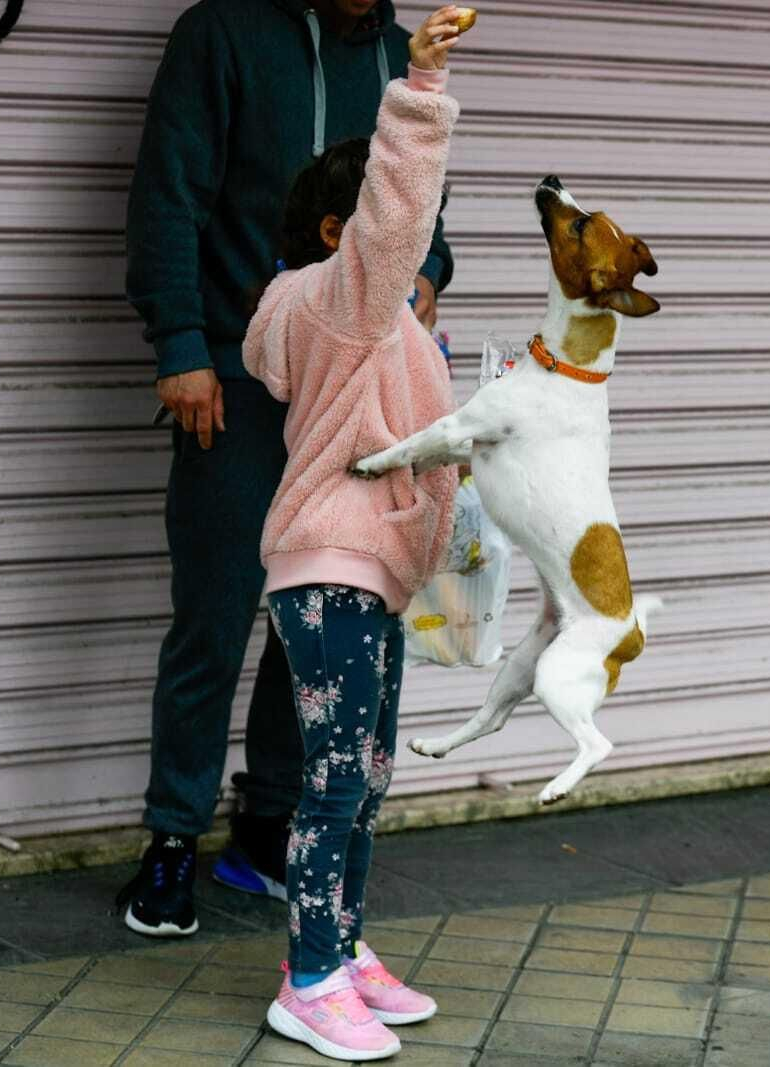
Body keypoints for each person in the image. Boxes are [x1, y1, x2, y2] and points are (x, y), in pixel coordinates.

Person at [117, 0, 454, 938]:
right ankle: (173, 839)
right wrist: (181, 344)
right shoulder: (221, 34)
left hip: (347, 393)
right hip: (233, 368)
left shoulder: (397, 56)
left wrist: (428, 274)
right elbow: (168, 196)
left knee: (320, 606)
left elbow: (422, 213)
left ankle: (264, 826)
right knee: (215, 617)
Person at [241, 7, 466, 1058]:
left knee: (363, 770)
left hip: (368, 568)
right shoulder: (339, 302)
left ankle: (344, 942)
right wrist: (416, 89)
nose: (414, 240)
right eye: (389, 228)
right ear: (343, 235)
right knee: (335, 775)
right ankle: (309, 975)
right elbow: (391, 221)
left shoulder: (362, 319)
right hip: (330, 562)